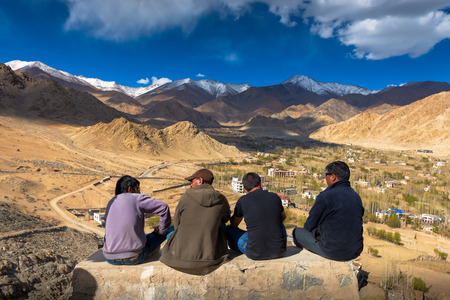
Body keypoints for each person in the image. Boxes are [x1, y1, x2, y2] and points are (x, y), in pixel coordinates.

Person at [292, 161, 364, 261]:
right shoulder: (356, 197)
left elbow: (308, 226)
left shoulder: (325, 196)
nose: (325, 177)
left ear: (332, 177)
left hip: (333, 251)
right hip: (355, 251)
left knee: (297, 232)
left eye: (326, 174)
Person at [160, 168, 231, 269]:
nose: (190, 185)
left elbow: (177, 223)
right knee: (221, 224)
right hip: (210, 258)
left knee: (171, 229)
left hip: (181, 257)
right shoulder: (221, 199)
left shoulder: (186, 197)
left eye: (192, 181)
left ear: (200, 181)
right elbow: (226, 218)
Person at [102, 175, 171, 265]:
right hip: (134, 257)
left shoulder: (111, 201)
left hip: (110, 258)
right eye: (138, 188)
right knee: (170, 228)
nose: (139, 192)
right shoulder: (136, 198)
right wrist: (161, 230)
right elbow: (163, 207)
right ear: (130, 189)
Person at [226, 172, 287, 260]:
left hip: (254, 252)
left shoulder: (243, 200)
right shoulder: (275, 197)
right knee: (280, 225)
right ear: (261, 184)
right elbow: (283, 217)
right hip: (279, 251)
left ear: (245, 189)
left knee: (229, 230)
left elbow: (234, 224)